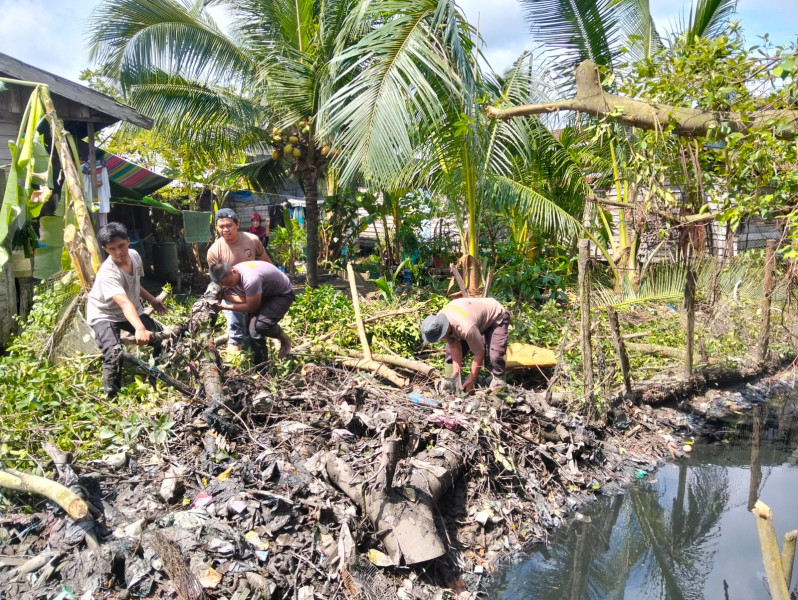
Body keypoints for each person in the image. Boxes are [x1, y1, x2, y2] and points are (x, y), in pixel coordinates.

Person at [87, 222, 167, 398]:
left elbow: (135, 284)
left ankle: (159, 375)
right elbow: (123, 303)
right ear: (105, 249)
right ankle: (111, 396)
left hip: (131, 309)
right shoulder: (108, 273)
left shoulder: (135, 256)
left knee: (158, 337)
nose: (118, 252)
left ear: (128, 241)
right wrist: (139, 328)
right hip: (104, 314)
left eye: (121, 245)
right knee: (114, 352)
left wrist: (152, 300)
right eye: (112, 249)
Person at [207, 208, 273, 355]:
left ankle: (261, 368)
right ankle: (234, 370)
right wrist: (227, 299)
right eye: (221, 226)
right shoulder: (214, 251)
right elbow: (218, 282)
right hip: (231, 295)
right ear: (217, 228)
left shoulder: (252, 240)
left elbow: (267, 264)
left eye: (229, 225)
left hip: (254, 291)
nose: (225, 229)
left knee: (256, 332)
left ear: (237, 224)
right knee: (236, 332)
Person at [209, 260, 294, 363]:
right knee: (253, 332)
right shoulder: (232, 275)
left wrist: (224, 306)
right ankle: (261, 367)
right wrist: (227, 296)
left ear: (234, 271)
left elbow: (251, 307)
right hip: (264, 293)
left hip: (281, 294)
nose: (229, 287)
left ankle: (284, 339)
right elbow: (246, 299)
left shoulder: (251, 279)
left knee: (262, 326)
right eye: (226, 285)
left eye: (230, 283)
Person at [421, 297, 510, 392]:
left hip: (496, 317)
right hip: (473, 320)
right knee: (450, 354)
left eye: (440, 336)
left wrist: (472, 379)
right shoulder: (438, 322)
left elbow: (479, 353)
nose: (441, 339)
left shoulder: (466, 328)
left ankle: (498, 386)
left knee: (495, 357)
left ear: (445, 329)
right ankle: (451, 383)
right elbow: (454, 346)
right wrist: (456, 373)